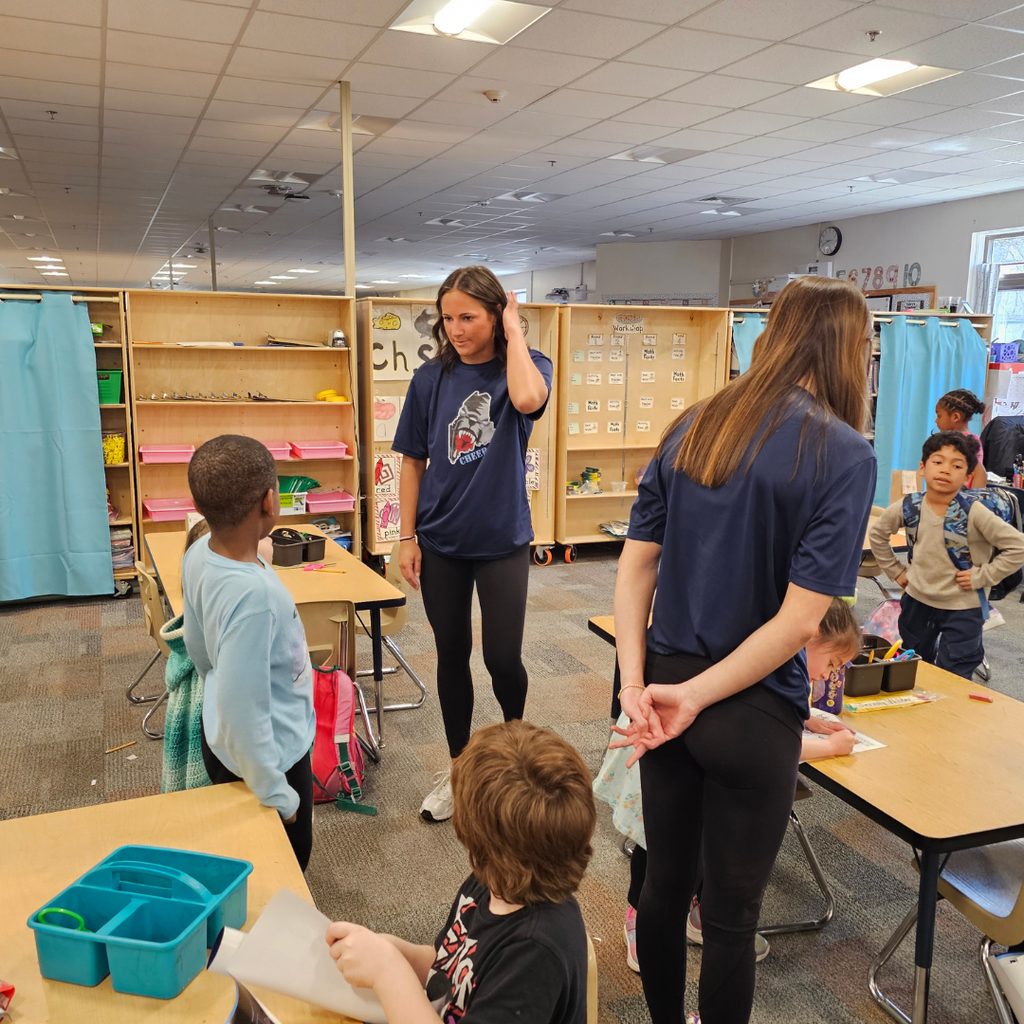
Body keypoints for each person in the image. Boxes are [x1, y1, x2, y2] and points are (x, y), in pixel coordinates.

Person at [613, 276, 877, 1024]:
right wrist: (695, 698)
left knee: (663, 890)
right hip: (746, 709)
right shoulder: (844, 450)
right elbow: (799, 624)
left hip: (662, 691)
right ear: (849, 348)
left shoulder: (694, 423)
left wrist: (638, 684)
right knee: (730, 920)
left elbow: (635, 566)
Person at [596, 598, 862, 974]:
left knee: (711, 841)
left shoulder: (789, 667)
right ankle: (639, 917)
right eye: (831, 663)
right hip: (669, 743)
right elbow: (771, 742)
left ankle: (700, 914)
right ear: (812, 633)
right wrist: (830, 747)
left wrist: (809, 720)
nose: (827, 675)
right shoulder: (773, 652)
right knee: (657, 845)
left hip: (712, 758)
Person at [392, 266, 552, 823]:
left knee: (502, 656)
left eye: (469, 317)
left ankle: (514, 763)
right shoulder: (431, 378)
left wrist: (514, 328)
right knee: (451, 653)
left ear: (494, 316)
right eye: (448, 317)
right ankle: (461, 771)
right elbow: (413, 462)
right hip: (440, 539)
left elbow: (530, 401)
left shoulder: (525, 368)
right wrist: (405, 537)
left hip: (503, 537)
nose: (456, 328)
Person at [325, 720, 593, 1024]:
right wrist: (399, 954)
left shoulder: (535, 952)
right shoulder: (493, 880)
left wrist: (389, 973)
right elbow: (449, 970)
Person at [182, 435, 315, 871]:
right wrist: (277, 792)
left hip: (222, 739)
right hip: (267, 757)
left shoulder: (199, 550)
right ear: (269, 501)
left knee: (241, 859)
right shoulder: (254, 597)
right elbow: (244, 709)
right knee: (284, 870)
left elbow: (198, 649)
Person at [869, 431, 1024, 679]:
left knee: (955, 671)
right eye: (938, 462)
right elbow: (877, 534)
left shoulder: (974, 512)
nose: (945, 470)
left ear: (968, 476)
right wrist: (895, 570)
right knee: (914, 665)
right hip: (918, 602)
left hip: (964, 608)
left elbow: (1018, 547)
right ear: (923, 467)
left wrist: (983, 576)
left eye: (956, 465)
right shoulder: (910, 505)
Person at [935, 388, 986, 487]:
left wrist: (974, 498)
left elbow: (979, 474)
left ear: (955, 417)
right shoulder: (951, 439)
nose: (936, 420)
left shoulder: (966, 442)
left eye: (939, 416)